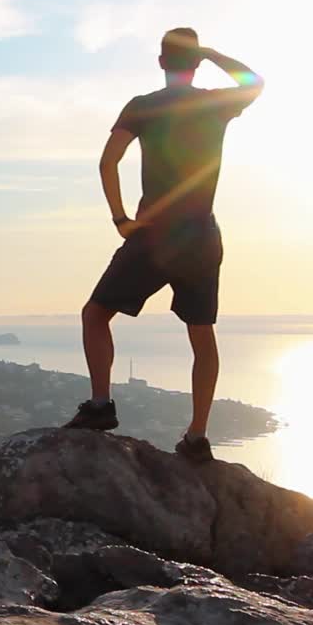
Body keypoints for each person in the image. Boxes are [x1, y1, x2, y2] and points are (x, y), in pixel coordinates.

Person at [63, 28, 264, 463]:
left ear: (160, 63)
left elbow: (107, 161)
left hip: (154, 234)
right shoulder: (214, 103)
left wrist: (121, 218)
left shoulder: (143, 107)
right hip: (203, 235)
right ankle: (197, 436)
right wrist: (212, 53)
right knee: (201, 333)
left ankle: (100, 406)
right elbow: (255, 82)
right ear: (195, 63)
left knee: (96, 314)